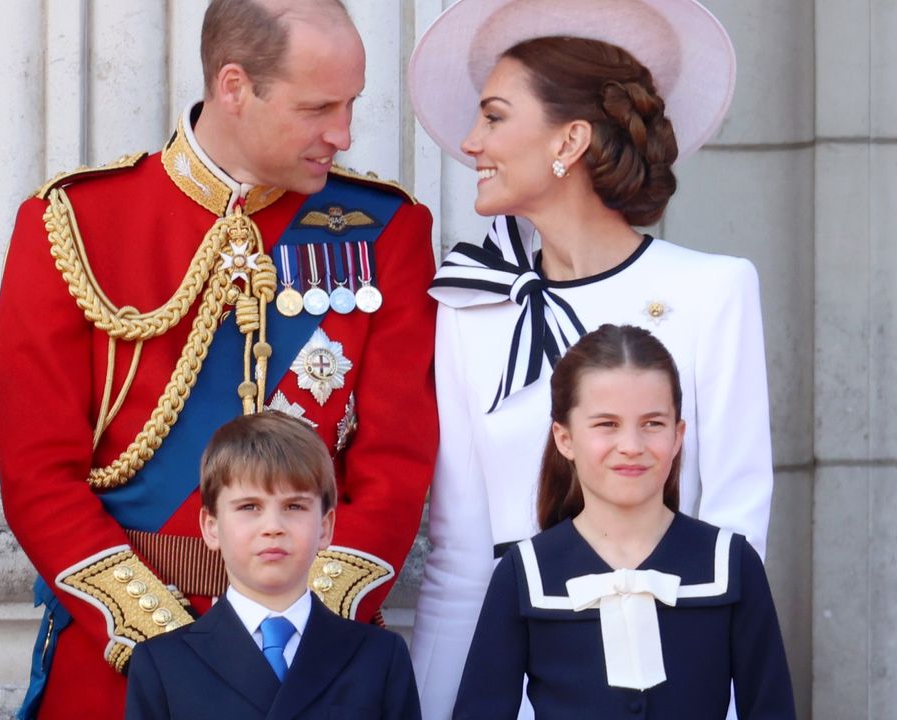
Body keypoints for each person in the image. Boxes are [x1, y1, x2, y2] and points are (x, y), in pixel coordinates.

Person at [0, 0, 437, 717]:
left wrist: (294, 626)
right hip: (124, 659)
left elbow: (395, 468)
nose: (344, 133)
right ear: (234, 87)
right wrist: (172, 646)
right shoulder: (74, 223)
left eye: (352, 105)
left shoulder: (385, 230)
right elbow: (39, 477)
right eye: (318, 107)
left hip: (309, 663)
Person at [405, 1, 774, 717]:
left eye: (494, 116)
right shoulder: (469, 307)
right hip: (521, 686)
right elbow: (457, 559)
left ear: (569, 139)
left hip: (678, 678)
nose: (470, 141)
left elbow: (735, 533)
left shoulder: (714, 290)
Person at [452, 324, 794, 719]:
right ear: (565, 439)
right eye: (606, 424)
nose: (632, 446)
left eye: (653, 423)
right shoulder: (524, 572)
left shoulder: (730, 564)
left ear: (678, 434)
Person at [125, 412, 421, 720]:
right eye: (249, 507)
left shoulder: (379, 658)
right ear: (211, 527)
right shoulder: (163, 664)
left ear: (325, 527)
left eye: (294, 506)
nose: (273, 527)